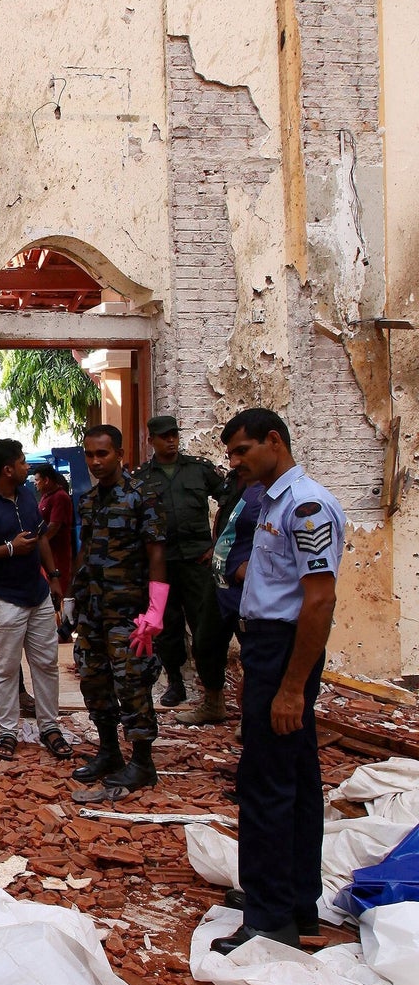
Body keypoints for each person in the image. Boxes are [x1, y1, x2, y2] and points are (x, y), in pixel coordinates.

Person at [210, 408, 345, 956]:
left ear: (274, 441)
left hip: (284, 653)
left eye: (242, 451)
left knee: (265, 782)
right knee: (295, 775)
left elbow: (319, 600)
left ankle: (269, 918)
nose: (235, 463)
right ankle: (294, 902)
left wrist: (291, 687)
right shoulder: (271, 503)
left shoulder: (307, 506)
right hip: (268, 649)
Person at [65, 425, 169, 797]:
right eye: (90, 455)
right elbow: (86, 547)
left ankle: (142, 763)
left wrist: (156, 610)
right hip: (93, 609)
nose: (95, 461)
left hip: (130, 611)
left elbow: (157, 551)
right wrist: (70, 596)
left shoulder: (142, 496)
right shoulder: (89, 500)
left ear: (120, 454)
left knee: (132, 682)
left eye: (103, 454)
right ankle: (108, 751)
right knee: (94, 680)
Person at [0, 437, 68, 762]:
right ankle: (7, 731)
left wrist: (54, 576)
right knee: (5, 670)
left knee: (46, 664)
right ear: (7, 469)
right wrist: (9, 548)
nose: (27, 466)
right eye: (21, 462)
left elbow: (41, 536)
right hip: (3, 600)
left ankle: (50, 727)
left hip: (38, 594)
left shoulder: (28, 496)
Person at [134, 414, 229, 709]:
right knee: (167, 627)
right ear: (151, 441)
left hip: (196, 562)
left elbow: (230, 501)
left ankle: (212, 688)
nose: (171, 440)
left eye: (174, 434)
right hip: (162, 565)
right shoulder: (142, 477)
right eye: (164, 436)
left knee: (205, 627)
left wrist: (219, 543)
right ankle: (175, 682)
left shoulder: (198, 470)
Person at [180, 466, 265, 726]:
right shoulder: (232, 481)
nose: (235, 458)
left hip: (245, 584)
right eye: (231, 453)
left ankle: (251, 715)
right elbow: (225, 518)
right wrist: (215, 548)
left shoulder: (268, 490)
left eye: (241, 451)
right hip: (218, 579)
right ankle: (214, 703)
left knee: (253, 650)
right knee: (205, 642)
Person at [33, 465, 75, 640]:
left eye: (37, 480)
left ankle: (63, 631)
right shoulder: (46, 497)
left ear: (46, 480)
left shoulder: (60, 497)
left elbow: (54, 526)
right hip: (47, 553)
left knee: (59, 589)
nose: (35, 484)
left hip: (57, 553)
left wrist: (38, 544)